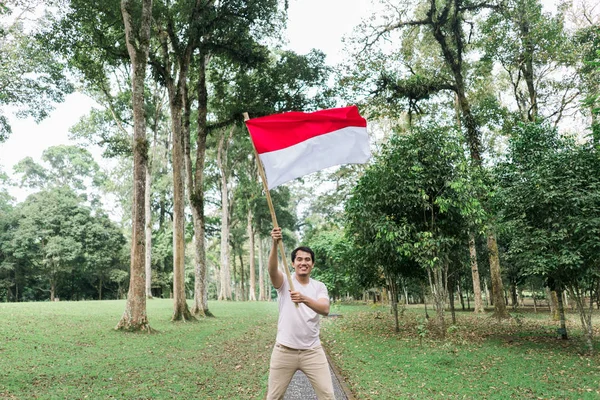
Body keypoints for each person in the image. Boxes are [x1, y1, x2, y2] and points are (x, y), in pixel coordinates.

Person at [266, 227, 335, 400]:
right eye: (299, 259)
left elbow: (325, 309)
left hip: (312, 351)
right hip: (284, 350)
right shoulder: (284, 282)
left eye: (307, 260)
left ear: (312, 264)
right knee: (273, 397)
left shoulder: (319, 286)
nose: (303, 262)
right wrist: (275, 244)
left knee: (328, 395)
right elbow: (272, 270)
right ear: (293, 263)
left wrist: (303, 298)